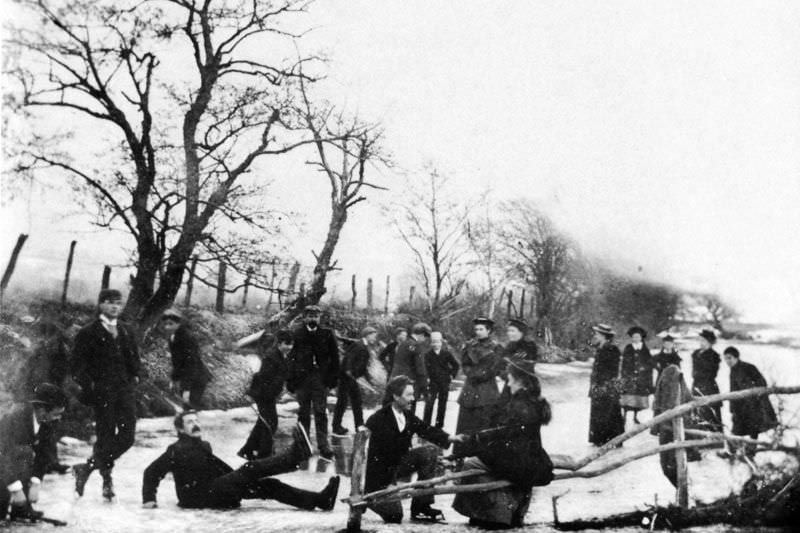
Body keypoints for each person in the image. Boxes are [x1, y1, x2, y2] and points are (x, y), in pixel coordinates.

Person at [142, 411, 340, 512]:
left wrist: (238, 479)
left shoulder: (203, 446)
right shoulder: (175, 450)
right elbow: (151, 472)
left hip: (217, 491)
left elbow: (218, 470)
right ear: (180, 429)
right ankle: (293, 457)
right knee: (250, 468)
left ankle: (321, 501)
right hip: (197, 499)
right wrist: (149, 499)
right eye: (190, 422)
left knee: (269, 486)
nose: (196, 424)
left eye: (196, 420)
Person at [452, 359, 553, 529]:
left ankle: (482, 515)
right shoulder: (533, 400)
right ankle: (501, 511)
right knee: (479, 459)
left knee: (470, 465)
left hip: (516, 459)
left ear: (517, 379)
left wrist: (475, 439)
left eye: (510, 377)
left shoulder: (518, 404)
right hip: (531, 458)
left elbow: (503, 433)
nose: (507, 380)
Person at [364, 376, 465, 524]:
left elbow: (425, 429)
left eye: (413, 394)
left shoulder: (407, 415)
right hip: (382, 476)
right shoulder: (378, 419)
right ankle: (372, 501)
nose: (413, 398)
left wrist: (450, 438)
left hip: (399, 464)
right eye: (409, 395)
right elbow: (382, 457)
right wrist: (391, 483)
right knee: (395, 516)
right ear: (396, 396)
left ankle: (421, 506)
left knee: (429, 451)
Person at [72, 288, 141, 501]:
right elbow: (77, 366)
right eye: (110, 302)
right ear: (101, 304)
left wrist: (134, 375)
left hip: (124, 391)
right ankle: (106, 481)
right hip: (103, 393)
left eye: (118, 303)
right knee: (106, 436)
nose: (115, 307)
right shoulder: (88, 332)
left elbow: (134, 358)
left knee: (127, 436)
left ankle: (87, 467)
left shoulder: (126, 330)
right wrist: (90, 387)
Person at [1, 383, 68, 522]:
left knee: (28, 453)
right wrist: (15, 488)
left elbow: (44, 455)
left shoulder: (47, 424)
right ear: (43, 410)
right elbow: (3, 455)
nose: (58, 418)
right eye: (56, 414)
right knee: (23, 451)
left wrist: (35, 482)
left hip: (7, 470)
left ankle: (20, 508)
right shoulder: (14, 418)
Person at [287, 305, 339, 459]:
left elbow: (335, 358)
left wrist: (333, 379)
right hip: (302, 380)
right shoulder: (297, 334)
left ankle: (323, 445)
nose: (313, 319)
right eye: (310, 316)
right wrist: (290, 380)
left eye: (316, 316)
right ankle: (303, 445)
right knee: (303, 412)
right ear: (304, 318)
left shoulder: (327, 334)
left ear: (320, 318)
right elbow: (291, 359)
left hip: (320, 380)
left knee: (320, 412)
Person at [23, 319, 71, 476]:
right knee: (38, 427)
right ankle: (41, 462)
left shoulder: (59, 350)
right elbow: (30, 372)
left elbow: (62, 373)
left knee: (50, 428)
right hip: (36, 391)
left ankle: (50, 462)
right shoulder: (38, 351)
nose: (47, 339)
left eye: (50, 336)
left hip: (51, 391)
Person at [238, 329, 292, 460]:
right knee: (271, 422)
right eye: (287, 344)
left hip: (269, 395)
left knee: (264, 421)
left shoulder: (281, 356)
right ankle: (264, 453)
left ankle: (247, 450)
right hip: (263, 394)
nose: (290, 347)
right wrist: (267, 395)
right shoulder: (272, 357)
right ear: (279, 344)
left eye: (291, 344)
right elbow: (263, 378)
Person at [454, 317, 502, 455]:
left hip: (487, 389)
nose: (478, 332)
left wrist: (483, 374)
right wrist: (471, 374)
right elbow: (464, 364)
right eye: (476, 329)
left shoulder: (496, 347)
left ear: (489, 330)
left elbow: (497, 367)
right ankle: (461, 454)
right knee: (465, 423)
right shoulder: (469, 345)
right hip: (470, 388)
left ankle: (483, 456)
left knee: (485, 423)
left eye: (481, 329)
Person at [723, 347, 778, 448]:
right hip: (740, 405)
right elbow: (733, 389)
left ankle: (750, 450)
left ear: (736, 357)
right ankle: (732, 450)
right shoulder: (733, 371)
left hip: (753, 404)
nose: (727, 361)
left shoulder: (748, 367)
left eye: (729, 358)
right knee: (737, 428)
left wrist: (753, 394)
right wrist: (732, 406)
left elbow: (762, 382)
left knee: (753, 428)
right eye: (725, 359)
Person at [160, 309, 212, 410]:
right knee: (187, 409)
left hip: (196, 378)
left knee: (190, 408)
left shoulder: (187, 338)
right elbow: (177, 363)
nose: (167, 327)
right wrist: (173, 379)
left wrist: (186, 389)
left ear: (178, 324)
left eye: (171, 324)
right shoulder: (173, 338)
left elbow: (191, 364)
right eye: (165, 324)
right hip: (188, 377)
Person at [332, 326, 377, 435]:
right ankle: (337, 427)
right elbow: (349, 358)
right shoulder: (359, 345)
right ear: (368, 335)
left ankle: (359, 425)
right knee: (342, 402)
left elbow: (362, 365)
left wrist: (368, 379)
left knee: (356, 401)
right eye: (374, 335)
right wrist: (348, 370)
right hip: (347, 377)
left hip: (353, 377)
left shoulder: (364, 345)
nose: (375, 338)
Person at [588, 324, 625, 446]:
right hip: (599, 385)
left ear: (604, 336)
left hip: (607, 386)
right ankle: (600, 438)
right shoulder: (601, 347)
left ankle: (610, 439)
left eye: (597, 334)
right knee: (600, 412)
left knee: (608, 412)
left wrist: (603, 384)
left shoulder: (611, 349)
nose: (595, 336)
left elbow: (612, 370)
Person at [389, 322, 431, 416]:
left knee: (396, 412)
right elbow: (420, 369)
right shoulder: (416, 346)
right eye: (425, 337)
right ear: (421, 335)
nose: (424, 340)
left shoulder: (403, 344)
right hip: (409, 385)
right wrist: (425, 390)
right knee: (408, 413)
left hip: (396, 383)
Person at [423, 331, 459, 428]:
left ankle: (439, 426)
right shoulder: (427, 355)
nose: (436, 344)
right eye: (433, 342)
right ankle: (425, 426)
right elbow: (424, 368)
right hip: (432, 383)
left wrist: (452, 375)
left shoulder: (446, 353)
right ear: (431, 343)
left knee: (442, 404)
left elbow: (456, 365)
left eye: (438, 342)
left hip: (444, 382)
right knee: (429, 403)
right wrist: (427, 378)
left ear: (441, 342)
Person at [619, 326, 654, 424]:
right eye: (634, 337)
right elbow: (625, 363)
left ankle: (635, 416)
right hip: (629, 376)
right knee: (627, 396)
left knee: (638, 398)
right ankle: (624, 415)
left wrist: (644, 369)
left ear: (641, 337)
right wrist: (625, 374)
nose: (635, 339)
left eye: (637, 337)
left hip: (641, 378)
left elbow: (649, 363)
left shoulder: (645, 349)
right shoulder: (628, 348)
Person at [690, 329, 722, 432]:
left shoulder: (713, 356)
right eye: (700, 341)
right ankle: (699, 438)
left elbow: (713, 373)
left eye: (704, 341)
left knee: (710, 411)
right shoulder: (696, 353)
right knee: (697, 411)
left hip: (708, 386)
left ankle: (715, 439)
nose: (701, 343)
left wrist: (699, 374)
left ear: (710, 342)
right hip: (696, 384)